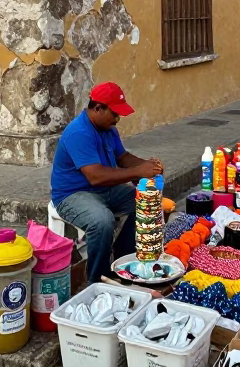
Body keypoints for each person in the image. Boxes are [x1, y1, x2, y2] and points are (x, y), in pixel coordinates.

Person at [50, 82, 164, 283]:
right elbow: (96, 176)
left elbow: (123, 157)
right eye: (114, 114)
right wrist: (137, 171)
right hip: (72, 195)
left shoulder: (108, 129)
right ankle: (99, 279)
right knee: (102, 221)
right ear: (97, 108)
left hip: (104, 189)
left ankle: (123, 259)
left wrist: (148, 166)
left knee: (146, 202)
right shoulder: (79, 133)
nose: (117, 119)